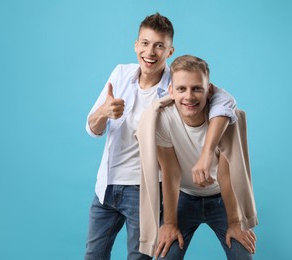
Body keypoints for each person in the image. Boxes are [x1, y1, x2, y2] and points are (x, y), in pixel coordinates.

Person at [85, 13, 237, 260]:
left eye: (159, 46)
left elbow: (223, 99)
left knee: (139, 257)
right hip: (106, 186)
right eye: (145, 43)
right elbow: (93, 128)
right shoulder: (120, 74)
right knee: (93, 255)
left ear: (170, 51)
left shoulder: (176, 85)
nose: (150, 52)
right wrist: (105, 111)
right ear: (136, 45)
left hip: (143, 190)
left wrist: (208, 151)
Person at [136, 55, 258, 259]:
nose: (189, 96)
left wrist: (235, 222)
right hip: (184, 198)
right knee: (167, 254)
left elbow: (226, 175)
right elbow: (170, 171)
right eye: (182, 89)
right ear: (171, 91)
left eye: (197, 88)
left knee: (242, 256)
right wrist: (170, 224)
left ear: (209, 90)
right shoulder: (163, 120)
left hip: (221, 198)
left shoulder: (223, 119)